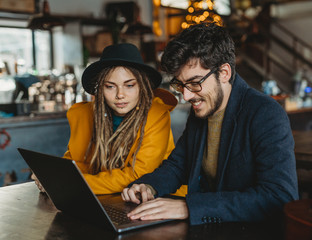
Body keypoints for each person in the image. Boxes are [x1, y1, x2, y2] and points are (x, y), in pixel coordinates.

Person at [121, 23, 298, 225]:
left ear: (224, 73)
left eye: (195, 83)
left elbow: (279, 197)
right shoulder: (202, 110)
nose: (186, 96)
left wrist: (190, 206)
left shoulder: (265, 113)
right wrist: (148, 186)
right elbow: (179, 165)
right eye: (180, 84)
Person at [32, 43, 186, 196]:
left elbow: (138, 175)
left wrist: (70, 184)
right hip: (106, 198)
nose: (120, 94)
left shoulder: (157, 115)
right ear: (100, 89)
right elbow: (78, 163)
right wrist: (51, 177)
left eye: (130, 85)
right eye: (110, 86)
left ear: (143, 86)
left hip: (157, 199)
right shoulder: (85, 115)